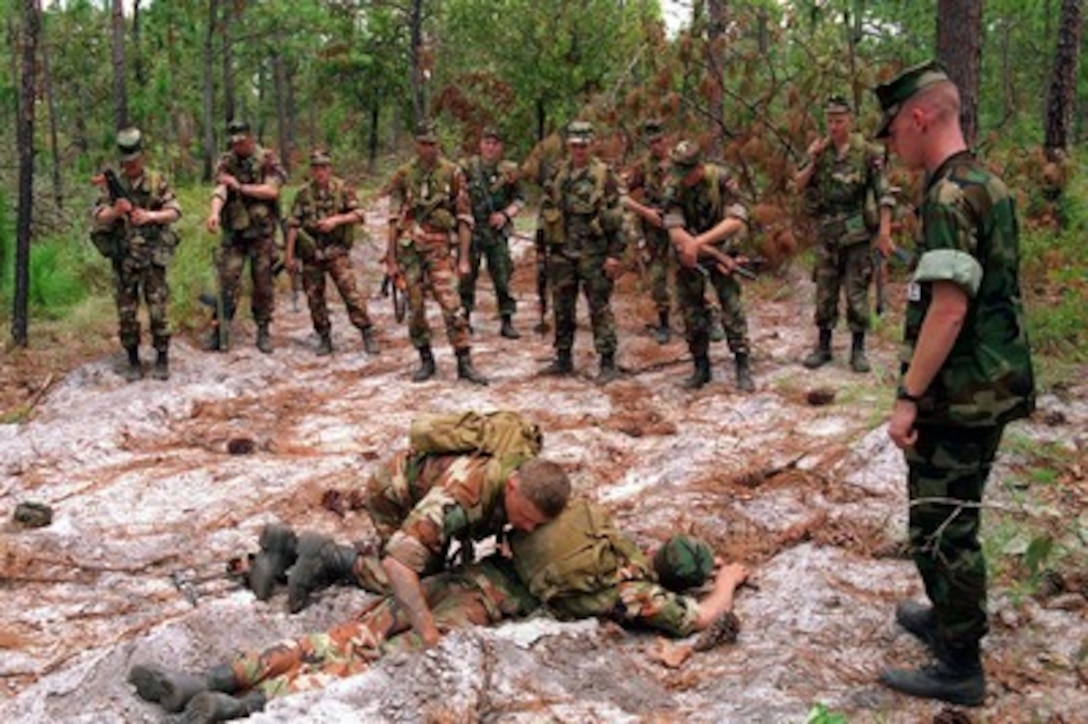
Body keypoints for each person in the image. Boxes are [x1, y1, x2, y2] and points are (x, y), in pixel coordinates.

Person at [127, 505, 749, 723]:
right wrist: (727, 583)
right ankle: (250, 709)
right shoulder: (634, 589)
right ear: (677, 579)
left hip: (454, 580)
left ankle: (210, 679)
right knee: (361, 665)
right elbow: (699, 621)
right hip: (476, 613)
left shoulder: (596, 537)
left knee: (340, 636)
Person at [873, 60, 1035, 707]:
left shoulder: (947, 195)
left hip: (961, 396)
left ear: (918, 118)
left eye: (892, 133)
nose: (892, 147)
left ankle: (960, 663)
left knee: (942, 528)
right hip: (986, 387)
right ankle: (948, 619)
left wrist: (907, 397)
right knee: (951, 514)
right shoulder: (984, 183)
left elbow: (949, 307)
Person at [287, 451, 572, 645]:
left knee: (428, 575)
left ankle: (290, 547)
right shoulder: (458, 498)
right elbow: (398, 566)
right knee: (407, 585)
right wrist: (427, 633)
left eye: (536, 525)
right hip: (394, 495)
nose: (528, 528)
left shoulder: (527, 476)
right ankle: (327, 555)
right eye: (525, 518)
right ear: (512, 486)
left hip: (432, 494)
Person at [794, 95, 894, 373]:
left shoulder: (867, 153)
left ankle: (858, 349)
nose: (834, 126)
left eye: (839, 121)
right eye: (829, 121)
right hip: (827, 235)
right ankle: (823, 345)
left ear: (850, 120)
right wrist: (812, 158)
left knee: (856, 292)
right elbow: (798, 184)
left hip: (857, 234)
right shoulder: (820, 151)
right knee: (825, 292)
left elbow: (885, 194)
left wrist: (884, 233)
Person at [386, 121, 487, 385]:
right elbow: (393, 219)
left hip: (440, 250)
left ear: (438, 144)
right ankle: (425, 359)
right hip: (410, 251)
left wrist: (464, 258)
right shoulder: (404, 175)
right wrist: (391, 259)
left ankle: (464, 360)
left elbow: (464, 218)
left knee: (452, 306)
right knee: (416, 307)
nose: (427, 149)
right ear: (416, 144)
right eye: (423, 143)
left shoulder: (451, 173)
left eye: (432, 144)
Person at [661, 140, 755, 392]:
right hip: (688, 255)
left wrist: (699, 243)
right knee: (691, 309)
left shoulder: (721, 179)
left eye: (687, 173)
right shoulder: (672, 186)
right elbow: (673, 226)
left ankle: (742, 364)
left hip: (723, 250)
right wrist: (687, 245)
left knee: (732, 305)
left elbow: (736, 220)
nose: (683, 179)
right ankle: (700, 367)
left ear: (698, 167)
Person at [537, 121, 627, 383]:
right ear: (568, 145)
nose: (579, 149)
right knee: (562, 307)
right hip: (562, 254)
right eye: (575, 145)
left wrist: (615, 255)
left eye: (583, 145)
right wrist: (541, 250)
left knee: (599, 308)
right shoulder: (557, 174)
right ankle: (563, 358)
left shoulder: (604, 175)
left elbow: (621, 220)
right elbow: (545, 214)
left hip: (594, 254)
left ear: (592, 144)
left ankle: (608, 362)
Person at [92, 127, 182, 382]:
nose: (130, 166)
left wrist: (150, 215)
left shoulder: (156, 181)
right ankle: (132, 359)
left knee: (158, 311)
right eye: (126, 162)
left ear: (142, 158)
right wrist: (114, 213)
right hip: (123, 259)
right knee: (126, 314)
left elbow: (175, 210)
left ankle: (162, 357)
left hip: (152, 257)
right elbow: (97, 216)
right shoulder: (112, 185)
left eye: (134, 161)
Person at [284, 150, 379, 357]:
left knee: (350, 292)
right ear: (311, 171)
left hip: (337, 250)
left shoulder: (343, 189)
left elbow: (359, 214)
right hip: (312, 253)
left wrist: (336, 220)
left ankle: (366, 331)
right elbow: (293, 224)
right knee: (314, 297)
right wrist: (289, 256)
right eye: (316, 168)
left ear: (330, 169)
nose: (320, 173)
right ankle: (324, 336)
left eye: (323, 168)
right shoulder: (303, 194)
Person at [204, 120, 287, 354]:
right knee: (227, 279)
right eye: (234, 142)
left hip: (262, 233)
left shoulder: (268, 159)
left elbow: (271, 191)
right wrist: (214, 213)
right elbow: (220, 189)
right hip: (235, 232)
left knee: (263, 282)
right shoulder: (226, 161)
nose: (238, 146)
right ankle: (220, 329)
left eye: (242, 141)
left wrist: (240, 187)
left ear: (251, 138)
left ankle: (263, 330)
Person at [458, 126, 525, 339]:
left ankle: (507, 320)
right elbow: (456, 194)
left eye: (495, 143)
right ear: (480, 145)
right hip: (472, 231)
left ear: (501, 147)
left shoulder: (509, 171)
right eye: (487, 142)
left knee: (502, 276)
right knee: (467, 278)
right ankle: (465, 318)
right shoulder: (468, 167)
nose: (490, 147)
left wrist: (505, 215)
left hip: (496, 232)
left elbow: (520, 199)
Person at [623, 119, 675, 345]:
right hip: (655, 229)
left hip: (683, 226)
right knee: (657, 277)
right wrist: (644, 212)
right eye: (651, 142)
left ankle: (708, 316)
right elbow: (619, 194)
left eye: (660, 140)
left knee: (694, 272)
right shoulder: (642, 167)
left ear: (668, 139)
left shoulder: (681, 161)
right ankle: (664, 323)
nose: (656, 146)